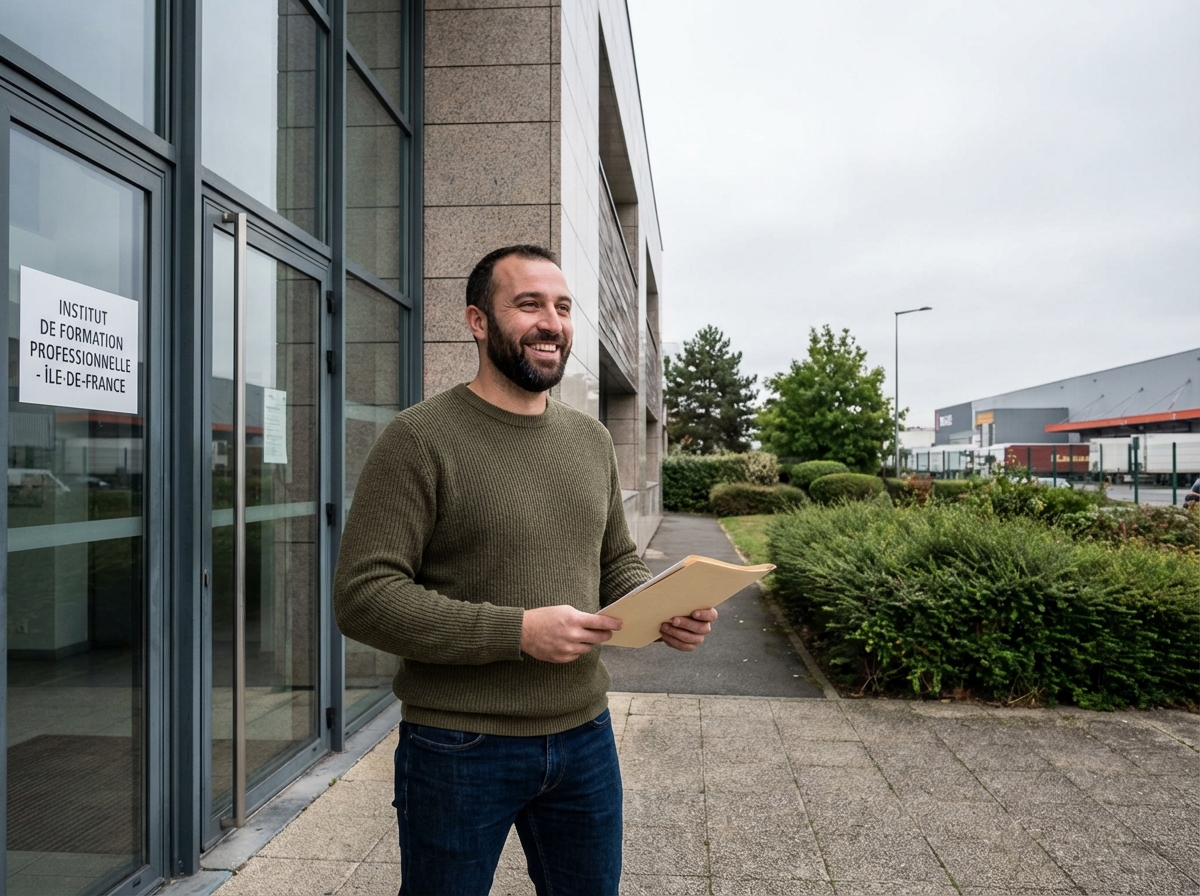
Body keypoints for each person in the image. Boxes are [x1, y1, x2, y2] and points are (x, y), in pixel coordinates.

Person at [333, 245, 718, 896]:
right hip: (457, 746)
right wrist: (516, 632)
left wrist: (660, 606)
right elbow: (363, 597)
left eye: (563, 307)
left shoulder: (590, 440)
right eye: (529, 304)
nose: (552, 322)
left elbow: (614, 560)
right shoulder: (418, 440)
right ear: (478, 321)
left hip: (585, 736)